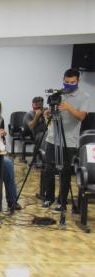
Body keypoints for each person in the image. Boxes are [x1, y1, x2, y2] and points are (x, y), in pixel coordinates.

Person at [42, 68, 90, 209]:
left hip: (69, 140)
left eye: (72, 82)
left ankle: (62, 201)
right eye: (66, 82)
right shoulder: (58, 93)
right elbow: (51, 111)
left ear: (78, 81)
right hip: (52, 137)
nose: (69, 84)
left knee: (65, 171)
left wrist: (69, 107)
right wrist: (48, 113)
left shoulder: (84, 96)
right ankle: (49, 198)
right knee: (48, 169)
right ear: (63, 80)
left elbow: (81, 117)